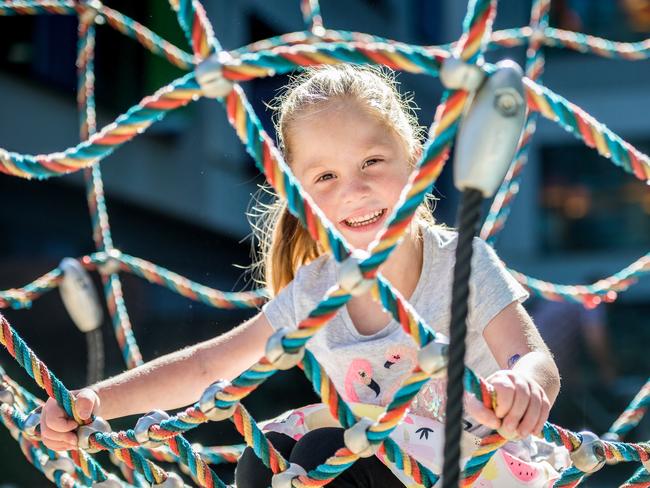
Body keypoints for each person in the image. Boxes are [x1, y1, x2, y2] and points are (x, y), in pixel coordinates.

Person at [40, 65, 563, 487]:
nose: (354, 191)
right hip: (378, 456)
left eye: (373, 162)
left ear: (415, 161)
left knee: (318, 453)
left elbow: (534, 360)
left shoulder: (458, 263)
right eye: (327, 176)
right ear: (301, 195)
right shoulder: (316, 290)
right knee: (265, 461)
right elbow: (207, 367)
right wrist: (96, 401)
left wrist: (523, 383)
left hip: (477, 464)